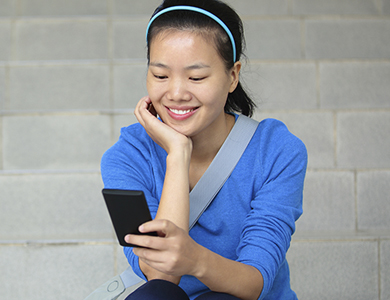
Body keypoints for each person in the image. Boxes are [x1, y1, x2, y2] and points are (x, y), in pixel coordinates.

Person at [101, 0, 307, 299]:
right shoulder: (127, 156)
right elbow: (161, 276)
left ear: (232, 76)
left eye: (196, 77)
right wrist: (177, 154)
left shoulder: (276, 150)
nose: (176, 93)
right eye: (160, 75)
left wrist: (194, 259)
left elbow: (255, 283)